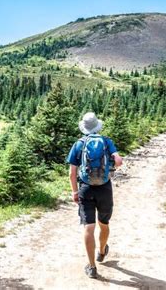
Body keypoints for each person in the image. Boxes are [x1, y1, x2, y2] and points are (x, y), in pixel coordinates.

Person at [66, 112, 123, 279]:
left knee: (88, 227)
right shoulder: (106, 141)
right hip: (104, 188)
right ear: (97, 126)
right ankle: (102, 250)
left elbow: (72, 173)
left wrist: (75, 192)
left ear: (84, 128)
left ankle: (91, 267)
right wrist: (110, 169)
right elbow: (119, 161)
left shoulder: (78, 144)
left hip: (86, 189)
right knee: (103, 223)